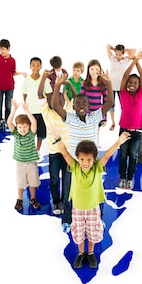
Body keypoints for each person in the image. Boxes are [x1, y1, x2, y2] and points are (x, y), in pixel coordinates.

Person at [53, 131, 131, 268]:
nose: (85, 163)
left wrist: (119, 142)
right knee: (79, 231)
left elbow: (107, 155)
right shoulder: (75, 168)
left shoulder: (97, 168)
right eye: (82, 159)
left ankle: (90, 253)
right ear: (77, 158)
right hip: (77, 207)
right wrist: (57, 139)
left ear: (94, 159)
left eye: (89, 159)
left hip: (93, 208)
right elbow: (64, 153)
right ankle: (81, 253)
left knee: (93, 231)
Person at [51, 66, 114, 233]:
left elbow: (110, 103)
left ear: (89, 105)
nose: (80, 106)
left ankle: (98, 218)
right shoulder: (70, 118)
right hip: (74, 163)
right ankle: (67, 220)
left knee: (97, 192)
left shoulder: (95, 117)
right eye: (77, 103)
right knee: (69, 191)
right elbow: (55, 106)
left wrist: (108, 82)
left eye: (84, 103)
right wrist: (58, 85)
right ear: (73, 106)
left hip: (92, 164)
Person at [39, 72, 72, 217]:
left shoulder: (69, 112)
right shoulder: (47, 113)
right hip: (54, 153)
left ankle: (65, 202)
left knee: (67, 179)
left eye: (60, 100)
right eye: (54, 101)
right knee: (53, 179)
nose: (58, 103)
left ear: (64, 102)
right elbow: (40, 94)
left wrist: (68, 84)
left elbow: (77, 99)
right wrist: (44, 77)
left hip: (68, 153)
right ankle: (56, 201)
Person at [117, 48, 142, 190]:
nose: (132, 84)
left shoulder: (141, 93)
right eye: (130, 82)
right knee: (123, 155)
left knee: (133, 156)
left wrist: (137, 60)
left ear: (139, 84)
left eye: (135, 82)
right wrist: (134, 60)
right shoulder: (123, 93)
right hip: (124, 130)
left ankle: (130, 179)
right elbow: (124, 76)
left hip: (138, 131)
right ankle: (122, 177)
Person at [7, 99, 41, 211]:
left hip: (31, 163)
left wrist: (27, 111)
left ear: (29, 127)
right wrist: (14, 109)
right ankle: (19, 199)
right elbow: (9, 122)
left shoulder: (31, 134)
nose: (22, 129)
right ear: (17, 127)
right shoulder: (16, 134)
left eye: (25, 127)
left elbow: (34, 122)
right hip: (20, 164)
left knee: (33, 182)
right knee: (20, 183)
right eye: (20, 127)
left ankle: (33, 198)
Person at [0, 39, 27, 132]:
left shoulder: (12, 60)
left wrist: (21, 73)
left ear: (8, 48)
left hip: (10, 87)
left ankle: (8, 122)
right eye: (0, 49)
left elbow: (13, 72)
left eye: (3, 49)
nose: (1, 51)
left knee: (8, 106)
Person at [21, 57, 52, 152]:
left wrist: (48, 108)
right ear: (30, 66)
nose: (35, 67)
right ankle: (30, 149)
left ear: (41, 67)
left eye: (38, 65)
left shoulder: (45, 81)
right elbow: (24, 94)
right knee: (30, 132)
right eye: (33, 65)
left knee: (41, 133)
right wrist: (27, 107)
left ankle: (37, 150)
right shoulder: (26, 80)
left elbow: (48, 94)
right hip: (31, 111)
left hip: (42, 111)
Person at [106, 43, 132, 131]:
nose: (117, 56)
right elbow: (108, 45)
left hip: (121, 87)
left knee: (124, 105)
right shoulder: (112, 59)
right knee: (111, 105)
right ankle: (113, 122)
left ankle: (125, 120)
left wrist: (125, 51)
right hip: (111, 86)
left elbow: (133, 53)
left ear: (123, 54)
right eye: (116, 54)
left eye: (120, 54)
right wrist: (115, 49)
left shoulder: (126, 60)